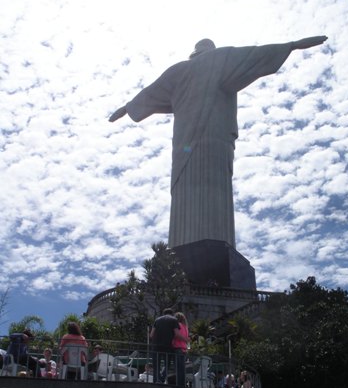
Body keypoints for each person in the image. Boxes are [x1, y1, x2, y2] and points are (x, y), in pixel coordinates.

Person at [109, 36, 328, 249]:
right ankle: (213, 248)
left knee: (186, 193)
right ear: (211, 50)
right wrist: (292, 46)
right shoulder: (221, 59)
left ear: (194, 53)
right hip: (216, 140)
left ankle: (182, 248)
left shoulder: (178, 71)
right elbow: (255, 55)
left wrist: (127, 108)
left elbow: (150, 93)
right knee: (215, 195)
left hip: (185, 143)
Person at [150, 308, 180, 383]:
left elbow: (151, 334)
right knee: (167, 364)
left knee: (156, 365)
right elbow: (176, 334)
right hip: (168, 346)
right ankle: (162, 378)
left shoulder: (157, 320)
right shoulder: (174, 320)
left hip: (156, 346)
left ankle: (156, 380)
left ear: (163, 313)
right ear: (172, 314)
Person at [172, 312, 190, 387]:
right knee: (182, 369)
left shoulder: (177, 325)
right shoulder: (185, 327)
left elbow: (176, 335)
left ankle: (179, 385)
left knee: (178, 369)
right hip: (184, 349)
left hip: (178, 348)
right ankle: (183, 384)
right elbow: (187, 338)